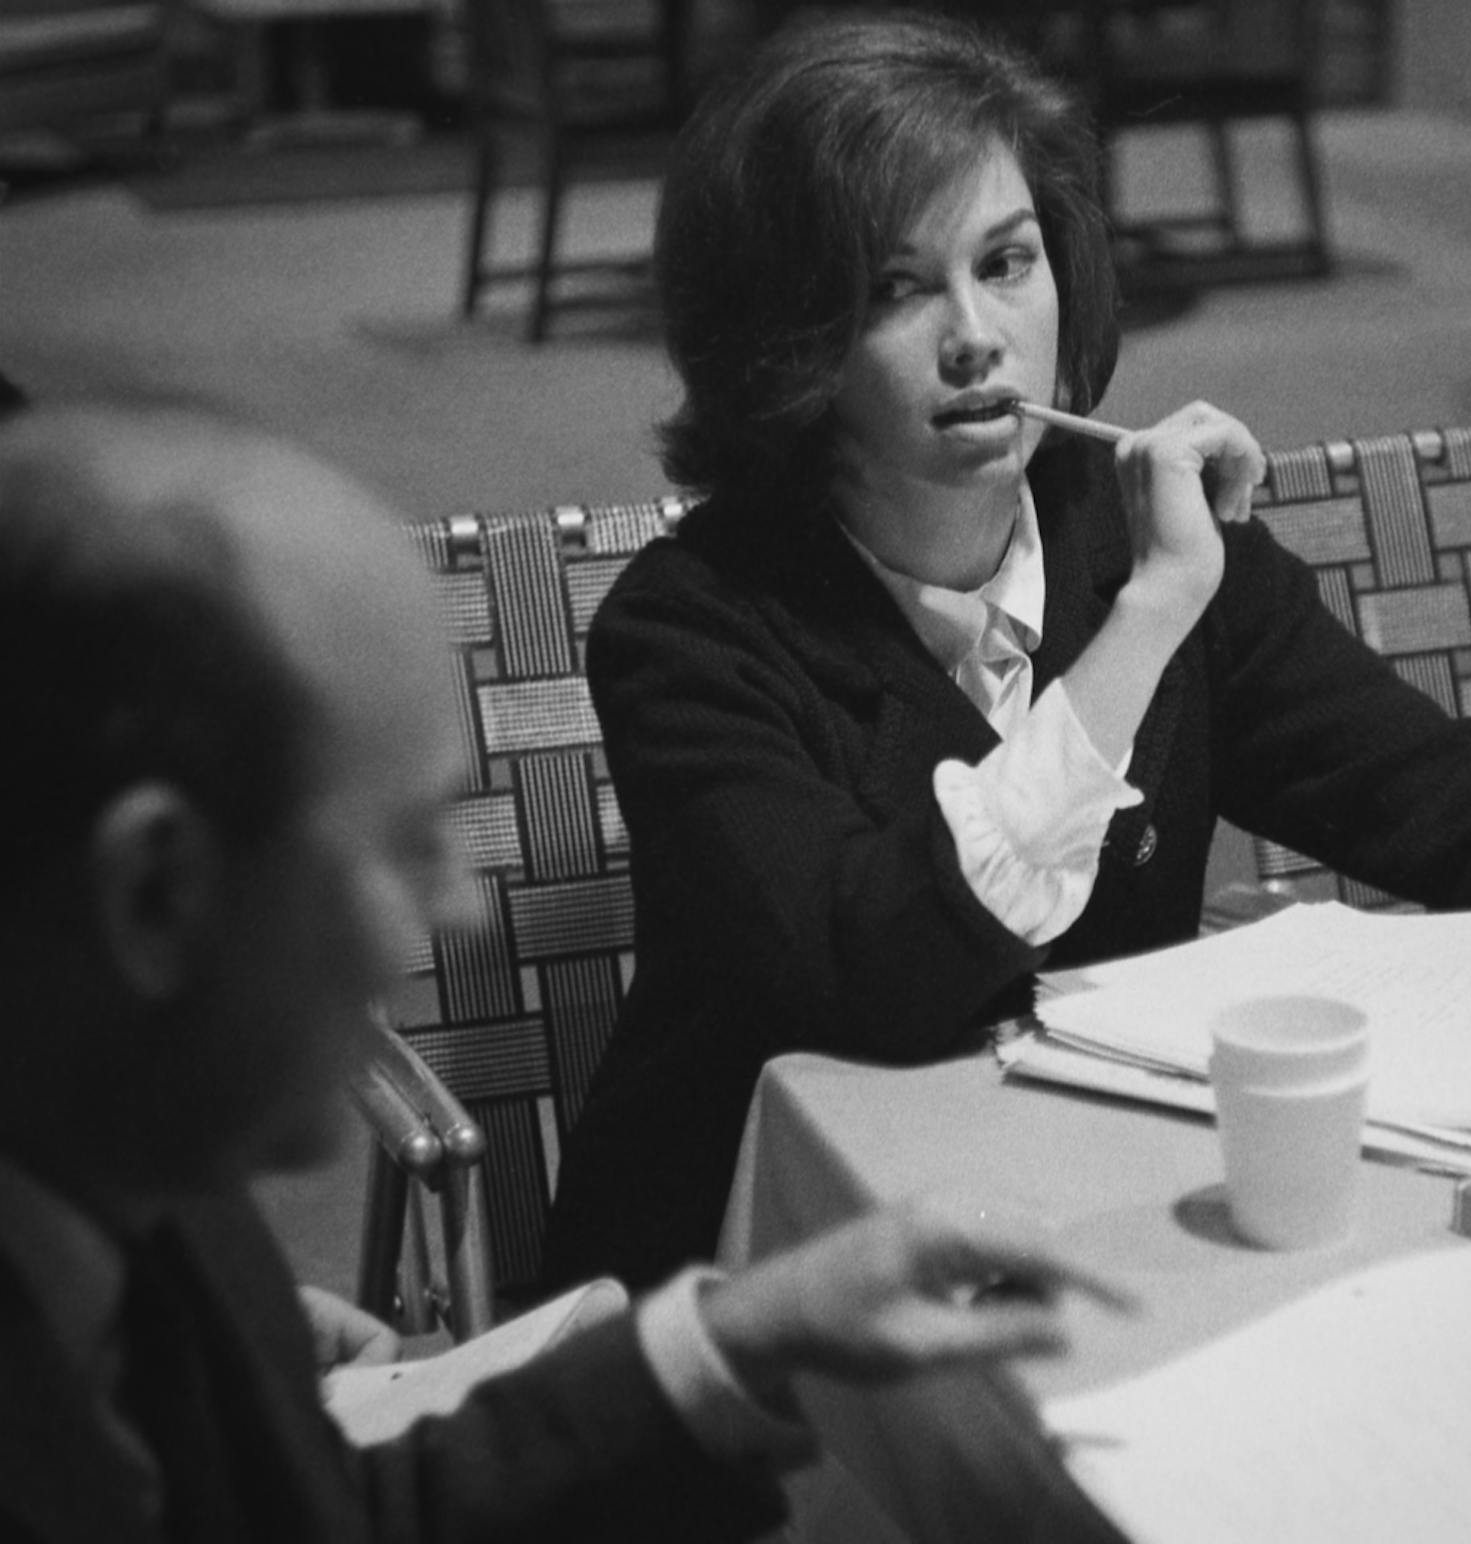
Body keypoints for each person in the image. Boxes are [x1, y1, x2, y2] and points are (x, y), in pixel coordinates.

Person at [541, 11, 1471, 1295]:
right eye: (894, 288)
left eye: (1007, 263)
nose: (977, 339)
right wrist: (1148, 622)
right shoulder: (691, 629)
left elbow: (1449, 799)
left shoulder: (1129, 539)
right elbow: (879, 975)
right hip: (743, 1291)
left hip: (1074, 1211)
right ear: (785, 336)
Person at [0, 402, 1130, 1544]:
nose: (462, 906)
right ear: (156, 891)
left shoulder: (142, 1165)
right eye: (409, 841)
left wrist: (741, 1338)